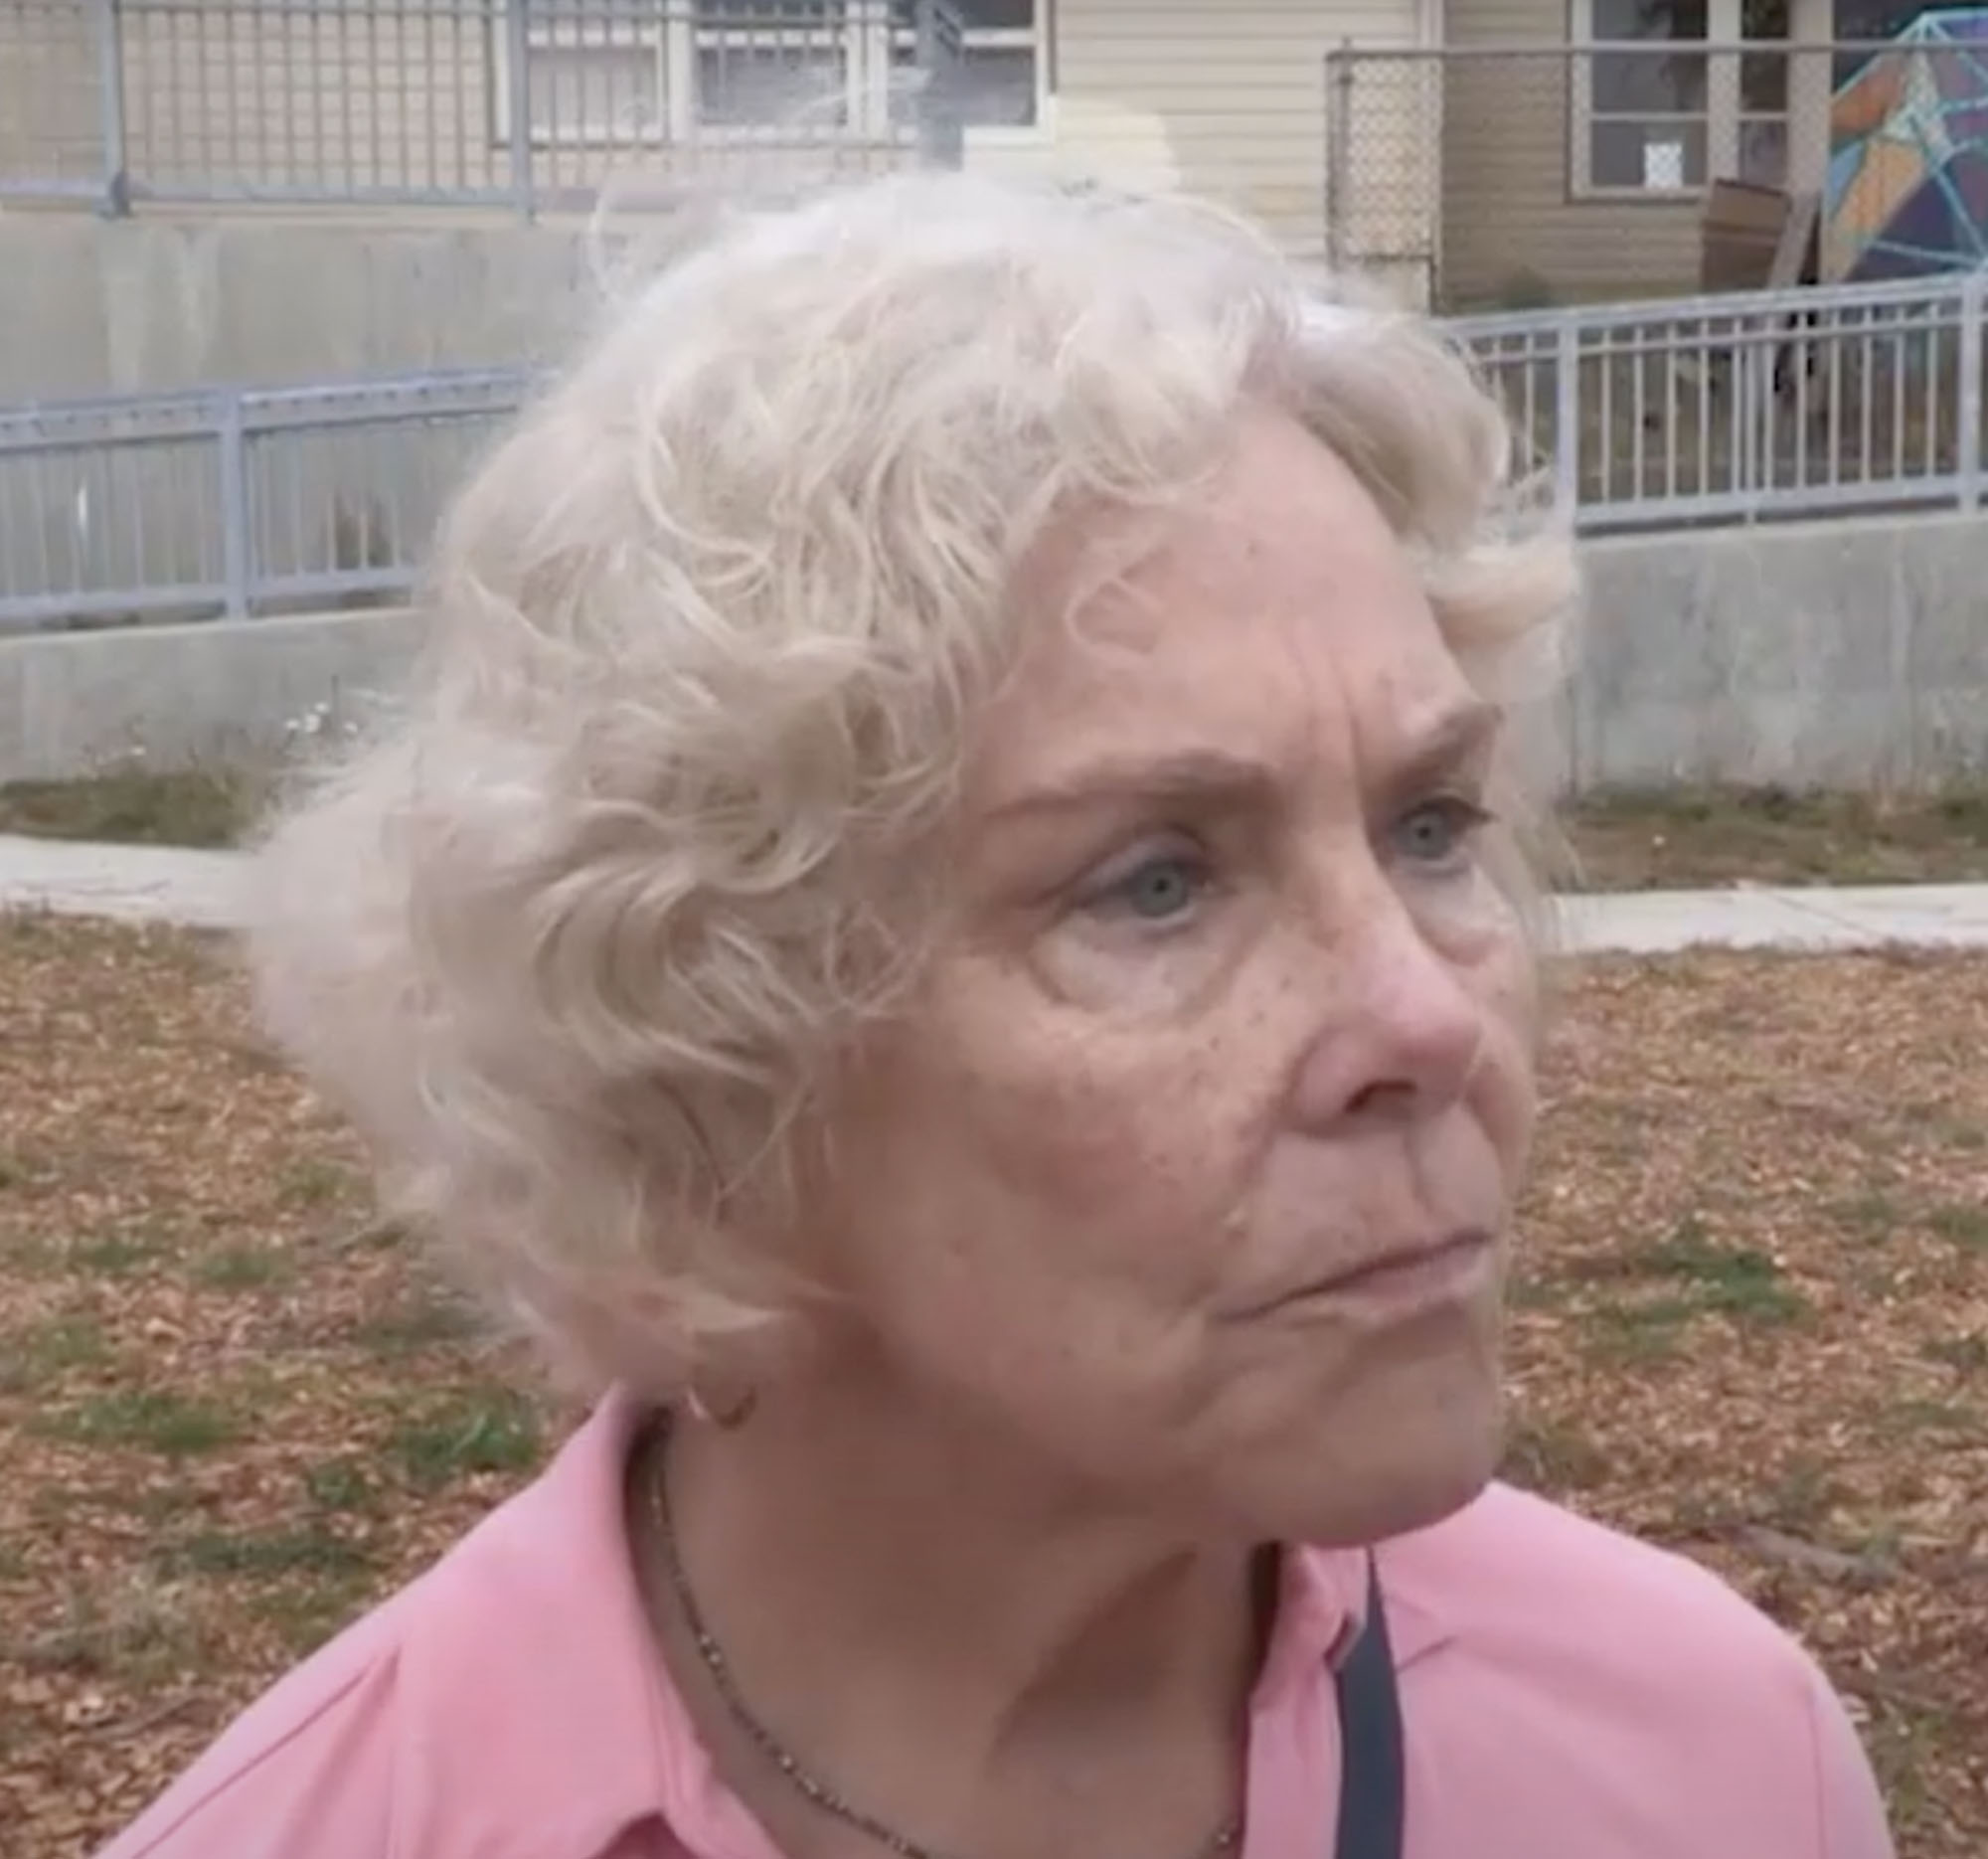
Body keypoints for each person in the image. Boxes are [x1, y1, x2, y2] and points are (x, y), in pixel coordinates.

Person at [96, 170, 1894, 1859]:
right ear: (707, 1069)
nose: (1427, 1017)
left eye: (1428, 825)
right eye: (1155, 881)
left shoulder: (1714, 1766)